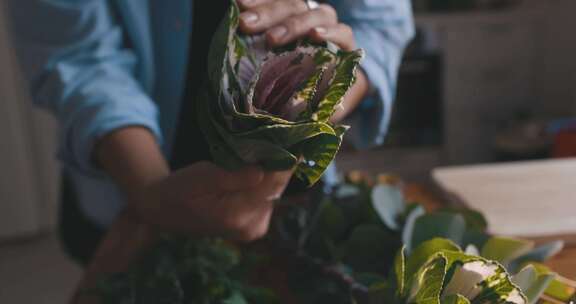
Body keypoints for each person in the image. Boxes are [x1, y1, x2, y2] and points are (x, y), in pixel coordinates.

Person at [5, 0, 414, 265]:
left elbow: (379, 24)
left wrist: (324, 87)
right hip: (128, 180)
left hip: (293, 203)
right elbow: (79, 56)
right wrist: (150, 192)